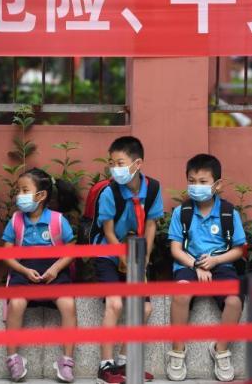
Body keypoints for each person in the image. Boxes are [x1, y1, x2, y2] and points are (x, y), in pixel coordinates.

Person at [166, 154, 245, 382]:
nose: (196, 186)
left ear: (217, 184)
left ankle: (220, 350)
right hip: (189, 263)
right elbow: (175, 249)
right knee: (180, 294)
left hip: (221, 265)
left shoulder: (229, 213)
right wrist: (196, 265)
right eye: (192, 181)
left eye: (203, 181)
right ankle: (177, 351)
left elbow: (239, 250)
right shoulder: (182, 213)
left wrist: (215, 261)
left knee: (234, 301)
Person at [94, 136, 164, 384]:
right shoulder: (109, 192)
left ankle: (124, 363)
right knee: (115, 304)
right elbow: (108, 231)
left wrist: (144, 258)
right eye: (112, 163)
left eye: (120, 163)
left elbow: (152, 225)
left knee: (143, 308)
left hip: (135, 251)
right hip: (107, 252)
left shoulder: (153, 189)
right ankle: (105, 366)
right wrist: (121, 257)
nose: (115, 168)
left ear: (137, 164)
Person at [2, 169, 79, 383]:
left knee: (68, 305)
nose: (20, 195)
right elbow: (6, 254)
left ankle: (66, 362)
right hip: (24, 271)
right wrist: (24, 270)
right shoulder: (16, 220)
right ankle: (13, 359)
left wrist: (55, 268)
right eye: (18, 190)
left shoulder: (57, 220)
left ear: (41, 195)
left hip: (54, 271)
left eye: (24, 190)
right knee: (16, 304)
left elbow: (71, 250)